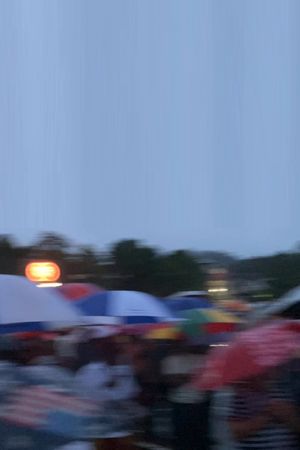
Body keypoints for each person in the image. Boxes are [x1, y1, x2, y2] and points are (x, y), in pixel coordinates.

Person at [74, 327, 138, 450]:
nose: (110, 346)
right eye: (99, 343)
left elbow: (131, 392)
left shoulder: (124, 368)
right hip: (100, 431)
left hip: (121, 428)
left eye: (110, 342)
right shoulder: (87, 372)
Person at [228, 371, 300, 450]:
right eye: (262, 374)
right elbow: (237, 433)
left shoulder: (284, 393)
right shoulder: (242, 396)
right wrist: (264, 417)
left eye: (269, 371)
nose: (267, 375)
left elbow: (296, 427)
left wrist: (289, 416)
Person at [161, 341, 211, 450]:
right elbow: (170, 382)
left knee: (200, 438)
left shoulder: (202, 358)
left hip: (201, 404)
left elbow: (208, 380)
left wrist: (181, 377)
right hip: (180, 405)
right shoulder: (170, 360)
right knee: (182, 439)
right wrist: (189, 376)